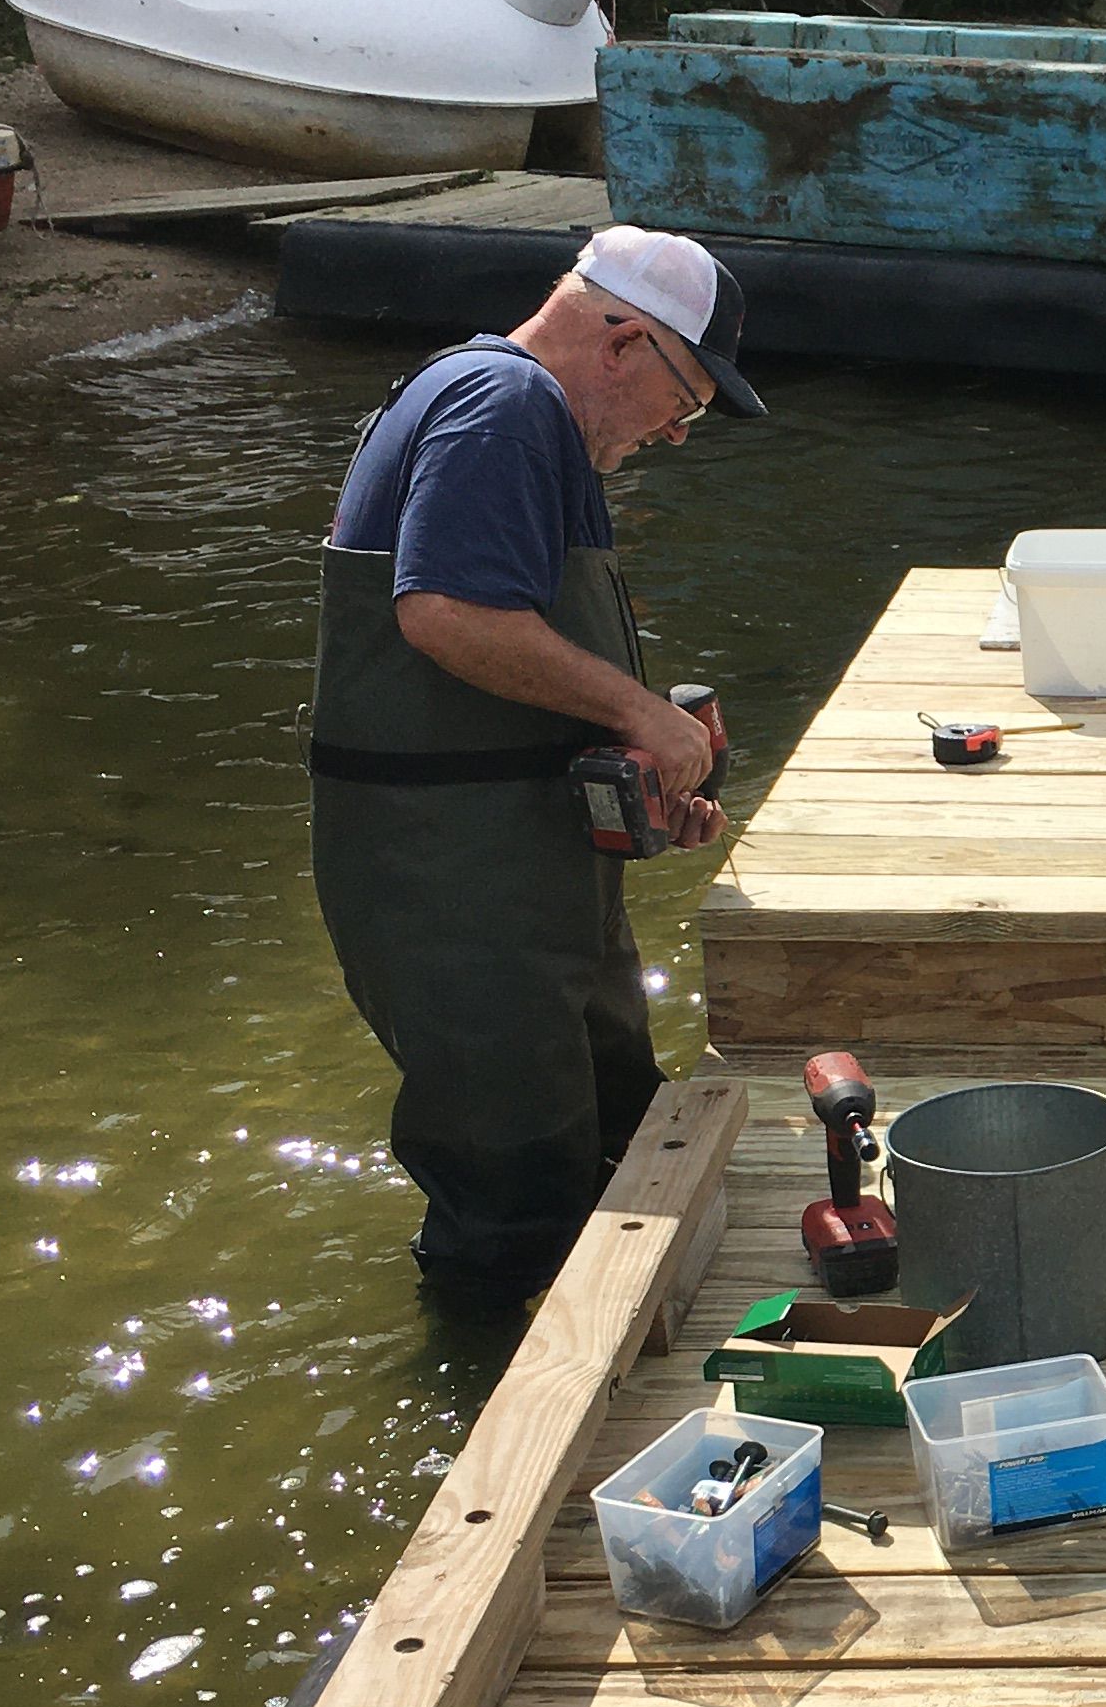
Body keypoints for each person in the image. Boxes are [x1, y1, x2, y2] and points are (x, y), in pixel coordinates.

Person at [308, 224, 765, 1306]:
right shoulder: (501, 406)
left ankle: (600, 1354)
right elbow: (448, 614)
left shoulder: (521, 419)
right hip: (454, 889)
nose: (679, 433)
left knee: (612, 1133)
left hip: (523, 871)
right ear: (621, 343)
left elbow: (505, 661)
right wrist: (640, 714)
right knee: (513, 1204)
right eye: (687, 399)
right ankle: (481, 1432)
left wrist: (637, 769)